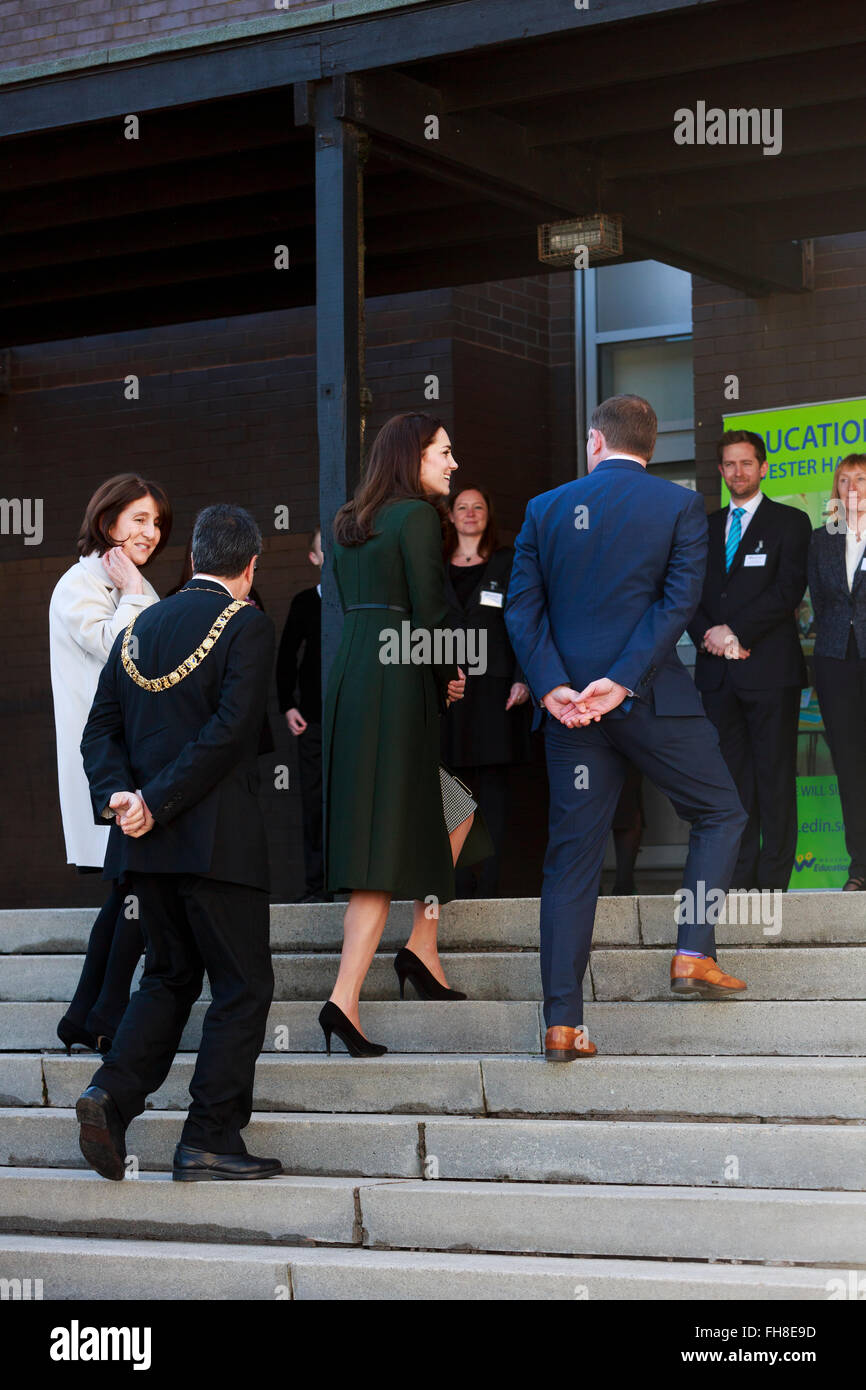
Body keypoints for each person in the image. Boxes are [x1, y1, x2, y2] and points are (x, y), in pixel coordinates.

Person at [506, 394, 749, 1064]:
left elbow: (523, 611)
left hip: (570, 716)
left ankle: (562, 1024)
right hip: (648, 701)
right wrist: (623, 679)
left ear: (594, 442)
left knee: (571, 861)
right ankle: (693, 950)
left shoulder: (545, 509)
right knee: (721, 811)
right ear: (651, 446)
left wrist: (556, 686)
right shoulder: (677, 506)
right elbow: (678, 603)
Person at [75, 504, 281, 1183]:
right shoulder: (246, 624)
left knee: (165, 977)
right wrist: (158, 801)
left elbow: (98, 731)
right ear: (249, 567)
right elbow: (229, 734)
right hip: (219, 847)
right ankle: (208, 1138)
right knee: (242, 988)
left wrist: (123, 799)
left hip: (145, 850)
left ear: (192, 559)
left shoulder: (139, 626)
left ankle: (111, 1093)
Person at [321, 413, 494, 1057]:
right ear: (411, 455)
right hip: (397, 681)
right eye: (444, 453)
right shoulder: (419, 518)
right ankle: (350, 994)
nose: (453, 465)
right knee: (401, 835)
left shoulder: (348, 523)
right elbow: (430, 608)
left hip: (354, 679)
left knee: (446, 811)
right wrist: (451, 669)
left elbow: (353, 606)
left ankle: (420, 947)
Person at [49, 474, 169, 1055]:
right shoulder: (82, 584)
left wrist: (134, 591)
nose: (151, 531)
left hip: (132, 761)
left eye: (156, 522)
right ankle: (98, 1015)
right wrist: (132, 595)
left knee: (130, 890)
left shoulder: (124, 580)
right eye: (139, 520)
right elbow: (119, 649)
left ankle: (89, 1014)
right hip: (110, 767)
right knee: (135, 889)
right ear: (108, 522)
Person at [687, 429, 811, 890]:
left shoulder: (790, 522)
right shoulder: (702, 525)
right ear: (720, 471)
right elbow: (687, 592)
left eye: (746, 463)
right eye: (729, 464)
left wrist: (734, 633)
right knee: (732, 781)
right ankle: (737, 877)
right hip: (718, 675)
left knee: (774, 775)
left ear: (763, 467)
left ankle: (774, 879)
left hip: (768, 670)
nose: (738, 472)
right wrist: (707, 634)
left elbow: (787, 591)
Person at [441, 487, 531, 896]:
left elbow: (523, 623)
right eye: (463, 507)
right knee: (451, 783)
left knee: (493, 787)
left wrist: (522, 676)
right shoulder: (435, 565)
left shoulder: (507, 562)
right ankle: (457, 877)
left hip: (497, 691)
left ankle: (493, 880)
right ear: (451, 515)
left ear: (488, 514)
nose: (471, 513)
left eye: (478, 506)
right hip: (449, 689)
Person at [808, 454, 866, 891]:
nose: (852, 487)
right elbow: (823, 603)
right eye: (844, 479)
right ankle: (860, 867)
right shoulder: (822, 539)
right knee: (849, 765)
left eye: (861, 479)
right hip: (834, 662)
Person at [276, 527, 330, 902]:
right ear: (314, 558)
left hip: (356, 723)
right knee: (314, 802)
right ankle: (317, 886)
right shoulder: (305, 602)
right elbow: (286, 657)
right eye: (325, 548)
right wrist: (287, 705)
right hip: (313, 721)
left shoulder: (363, 602)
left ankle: (358, 885)